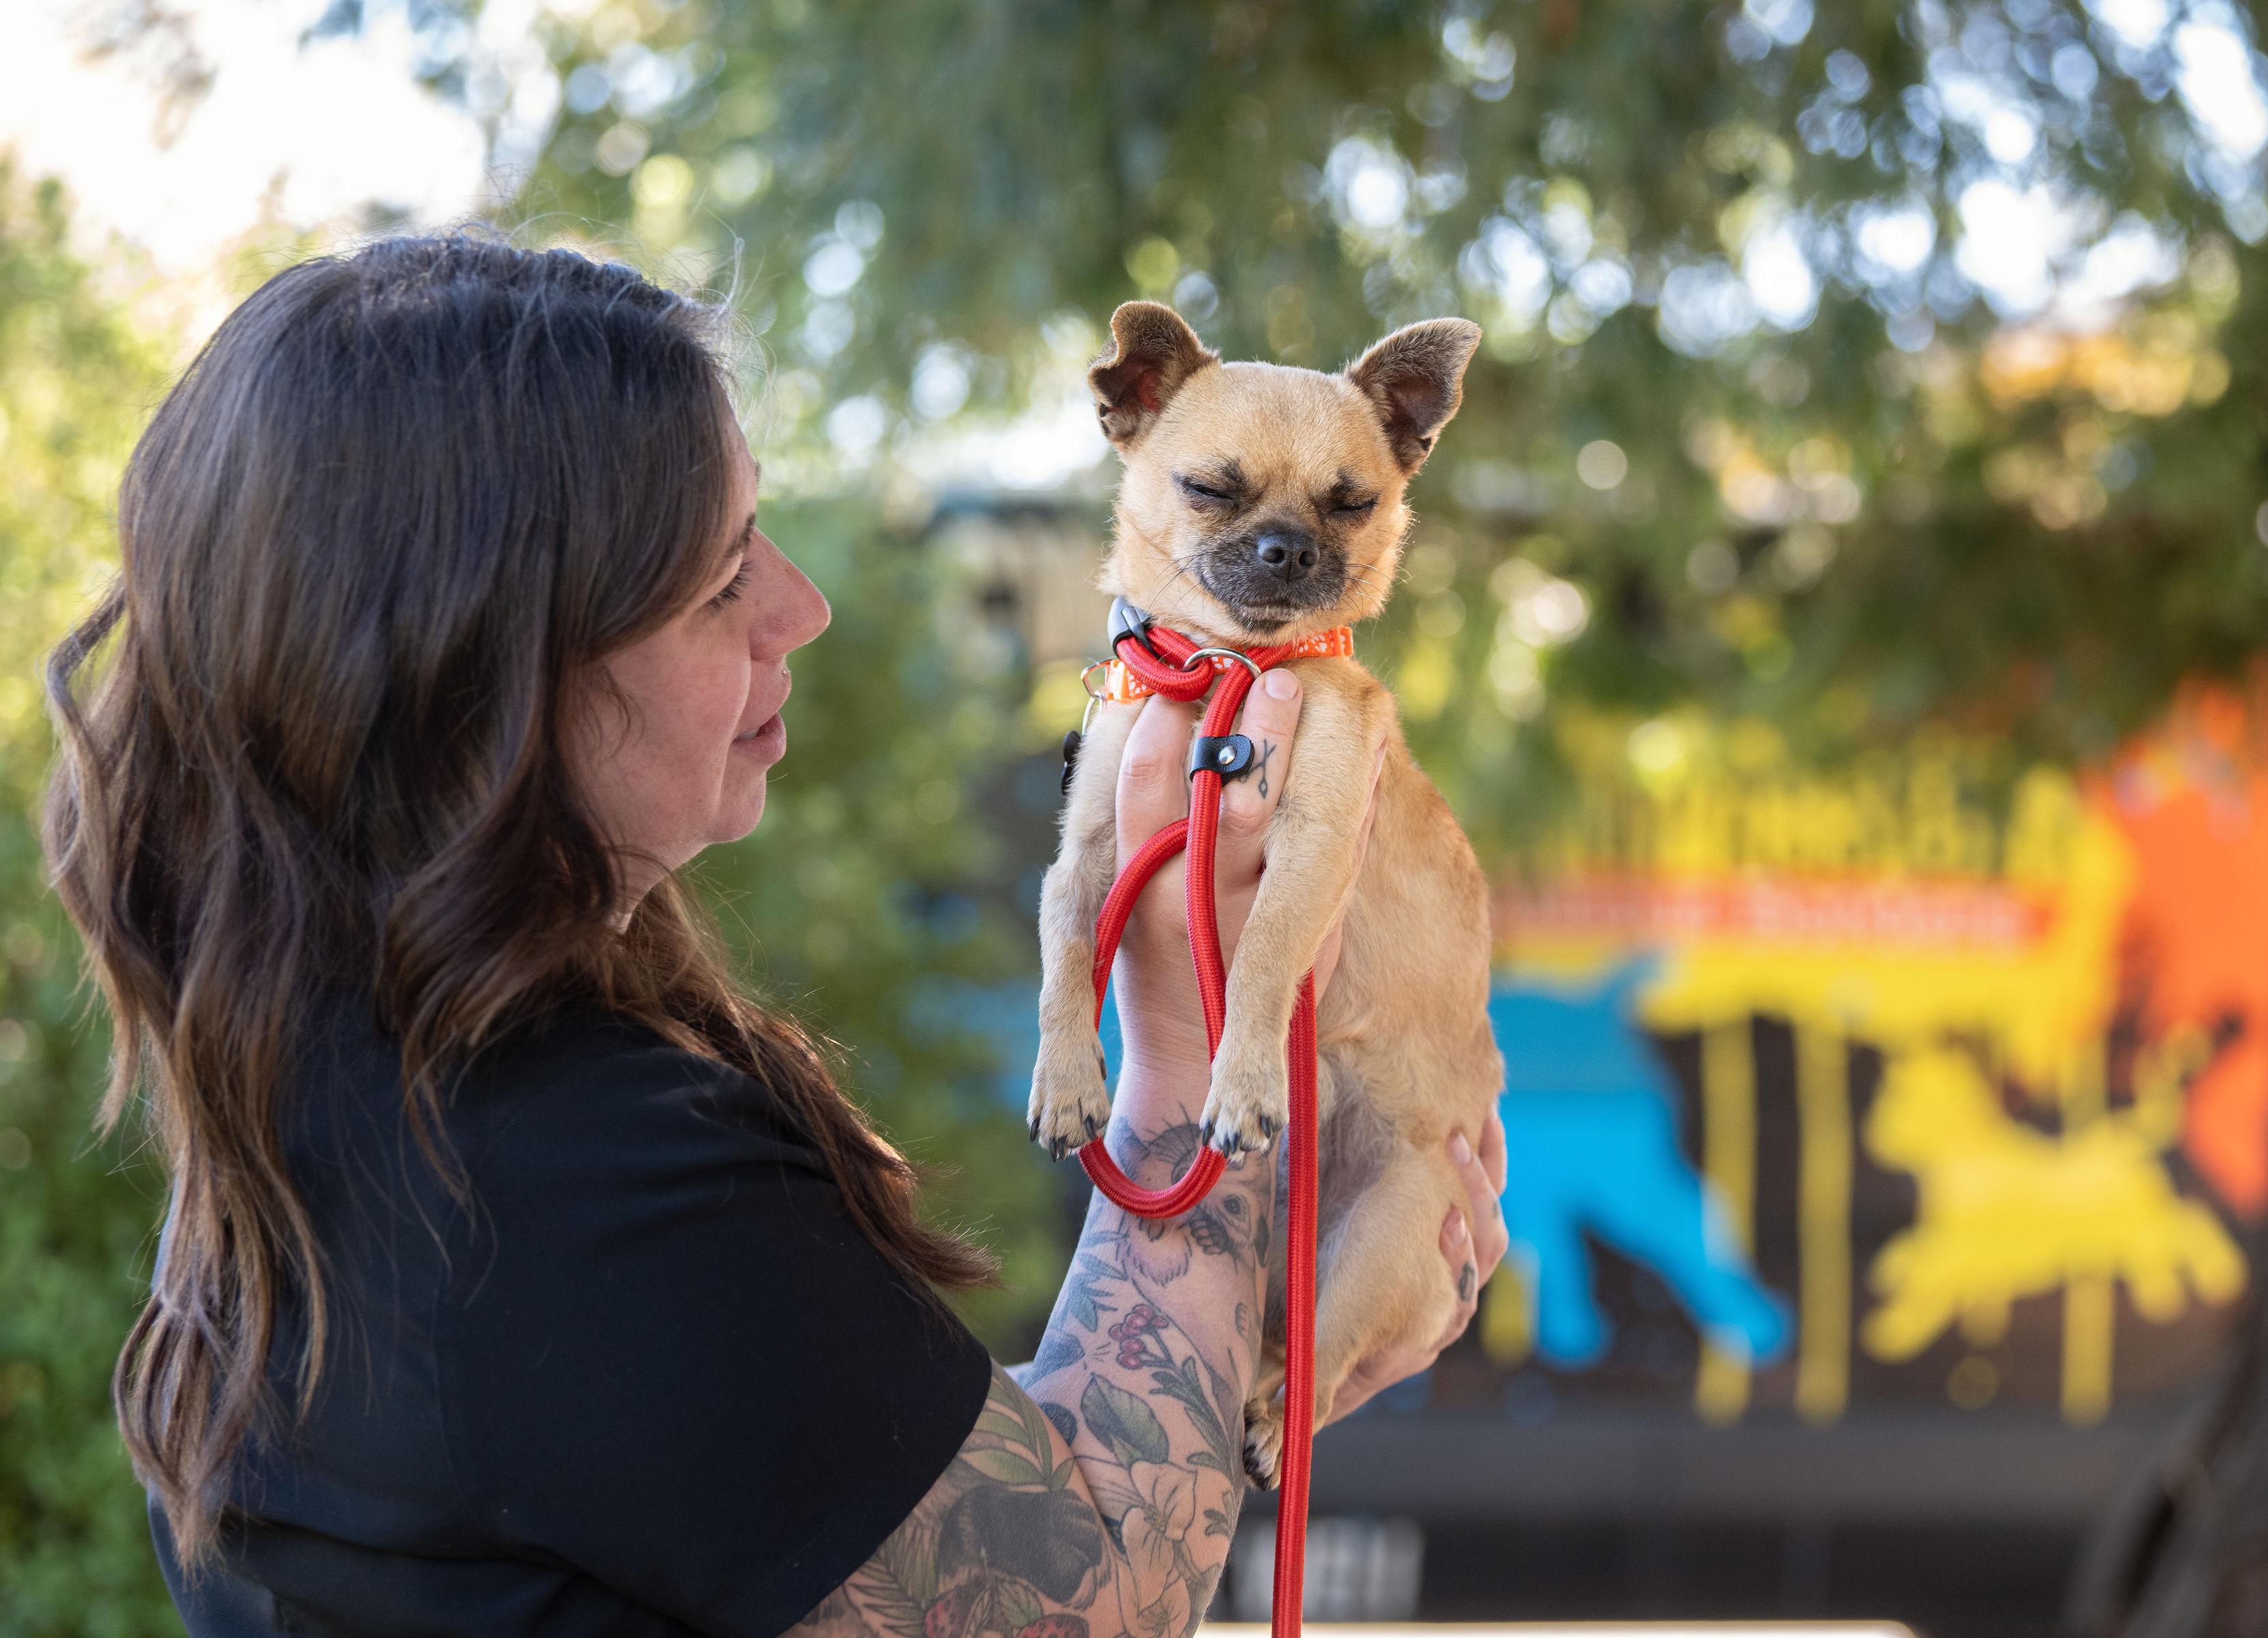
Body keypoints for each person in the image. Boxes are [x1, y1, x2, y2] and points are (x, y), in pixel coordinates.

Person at [44, 234, 1508, 1638]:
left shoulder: (357, 1080)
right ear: (486, 669)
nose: (796, 609)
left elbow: (858, 1506)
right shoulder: (556, 1171)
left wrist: (1285, 1320)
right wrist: (1184, 1055)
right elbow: (1084, 1601)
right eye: (718, 574)